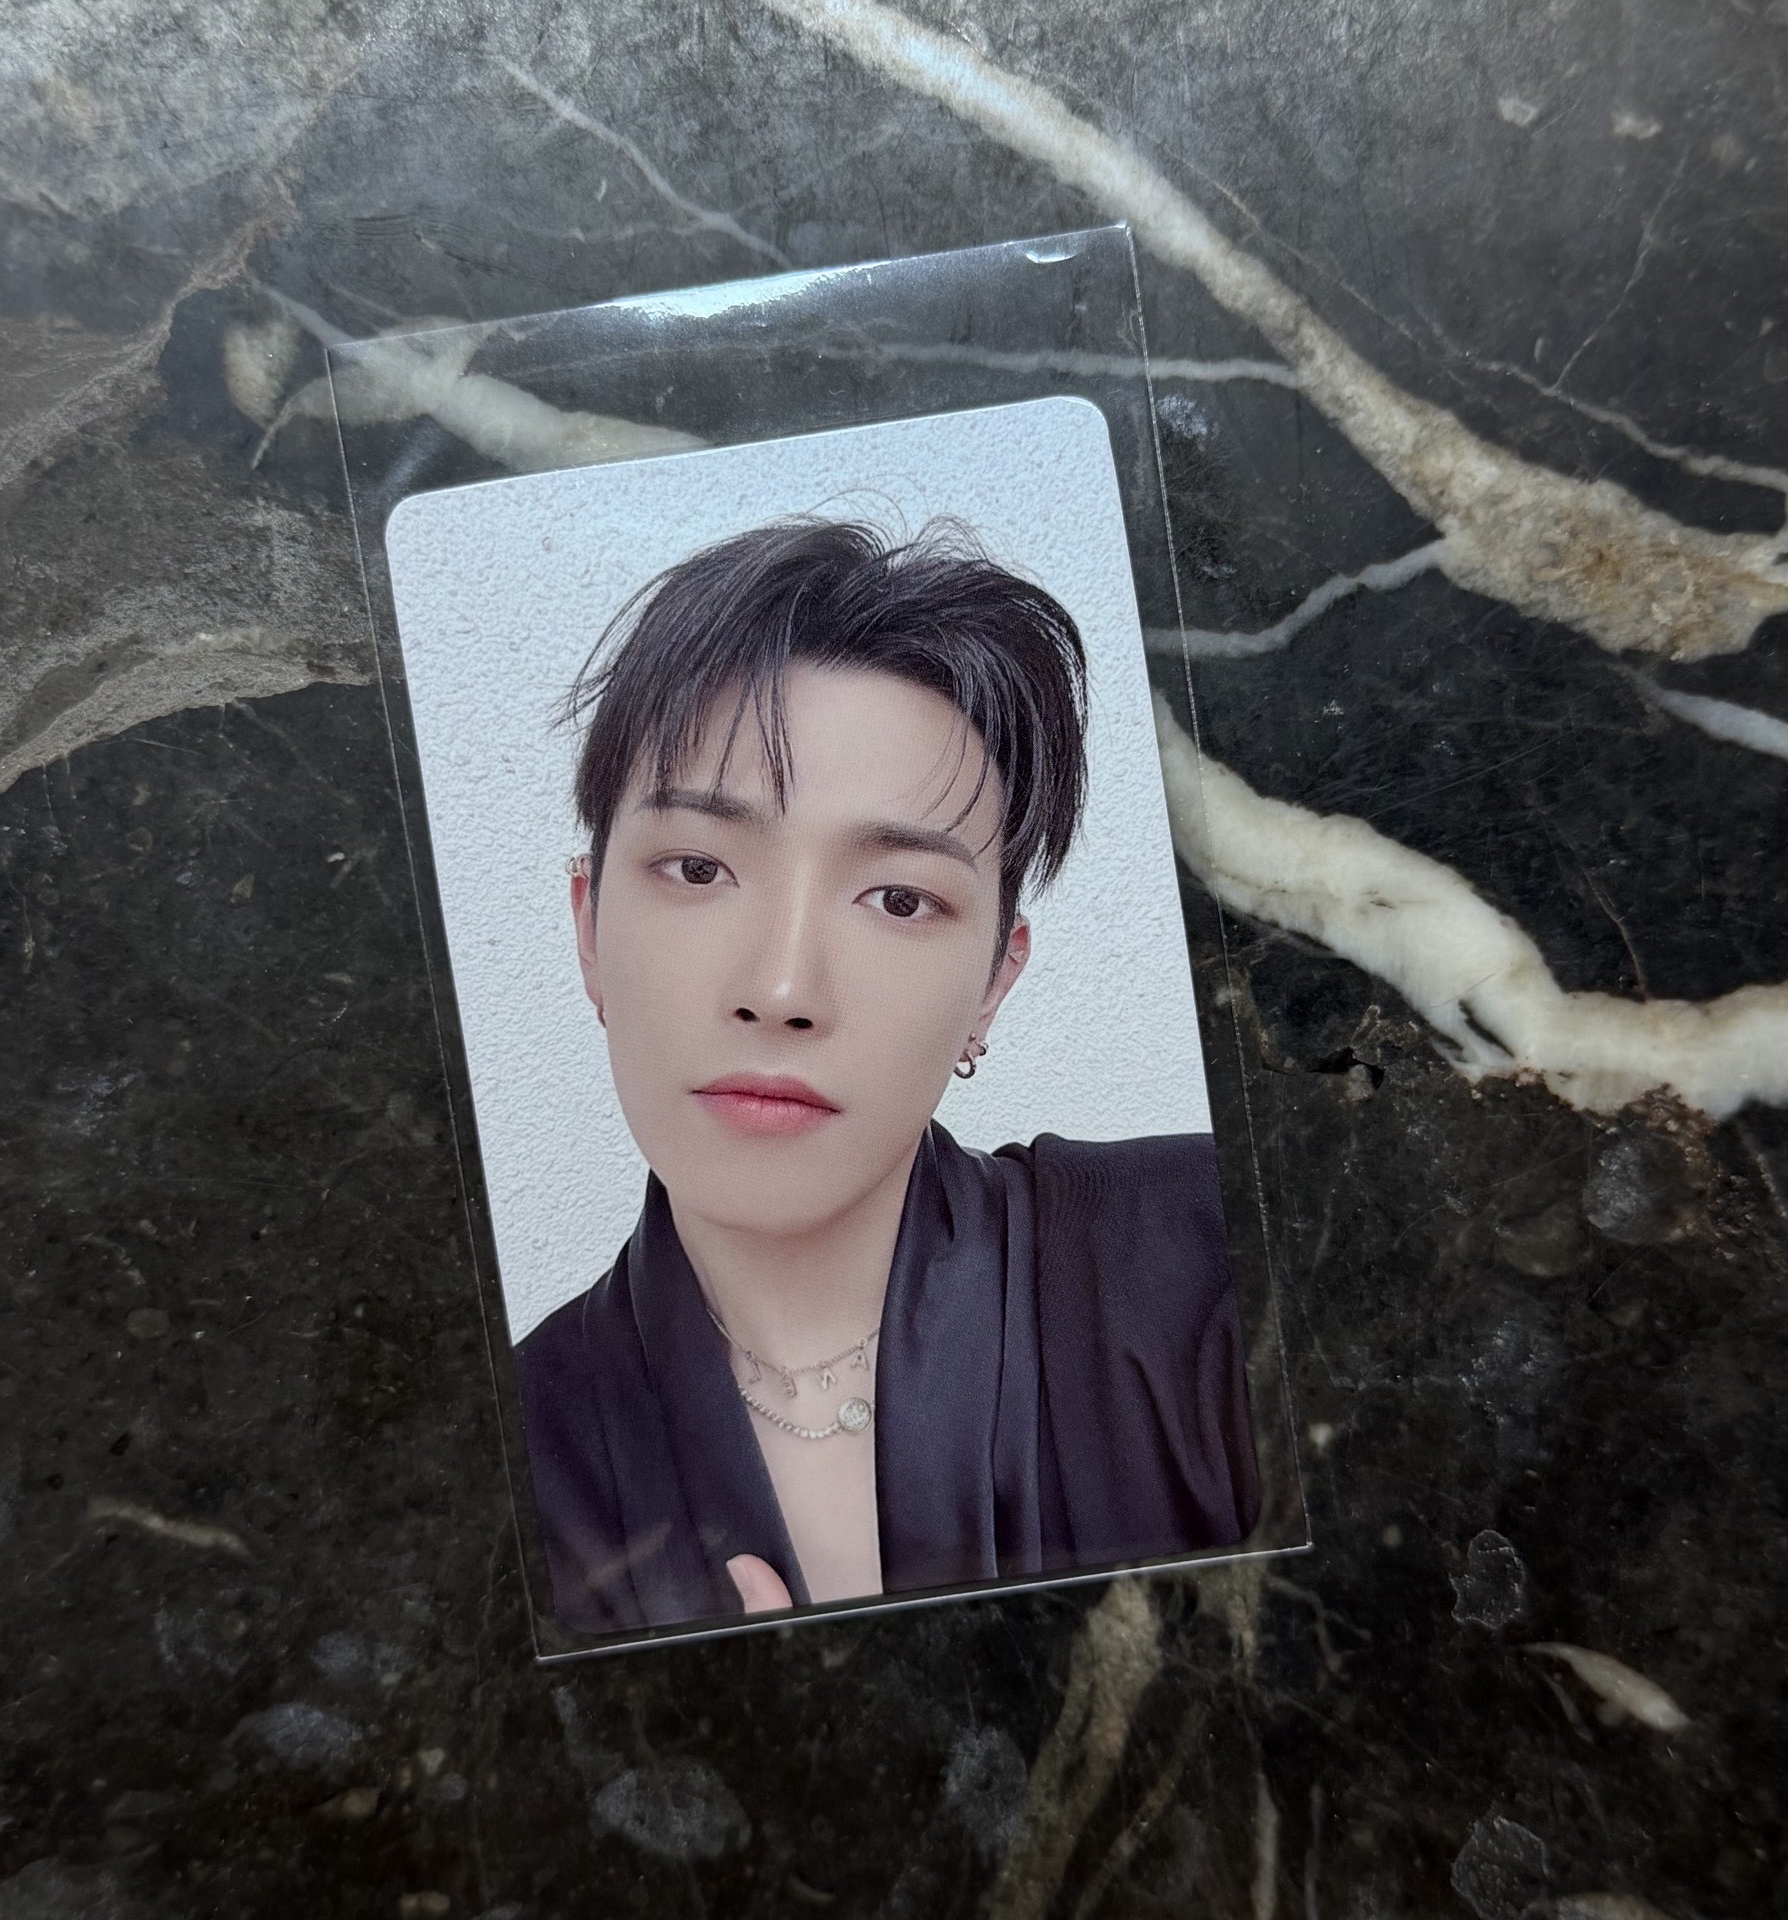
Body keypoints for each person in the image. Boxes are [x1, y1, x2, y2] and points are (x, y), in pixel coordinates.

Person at [514, 518, 1259, 1635]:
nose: (780, 988)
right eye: (698, 867)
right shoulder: (501, 1458)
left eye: (899, 898)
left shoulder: (1221, 1263)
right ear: (589, 930)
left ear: (993, 983)